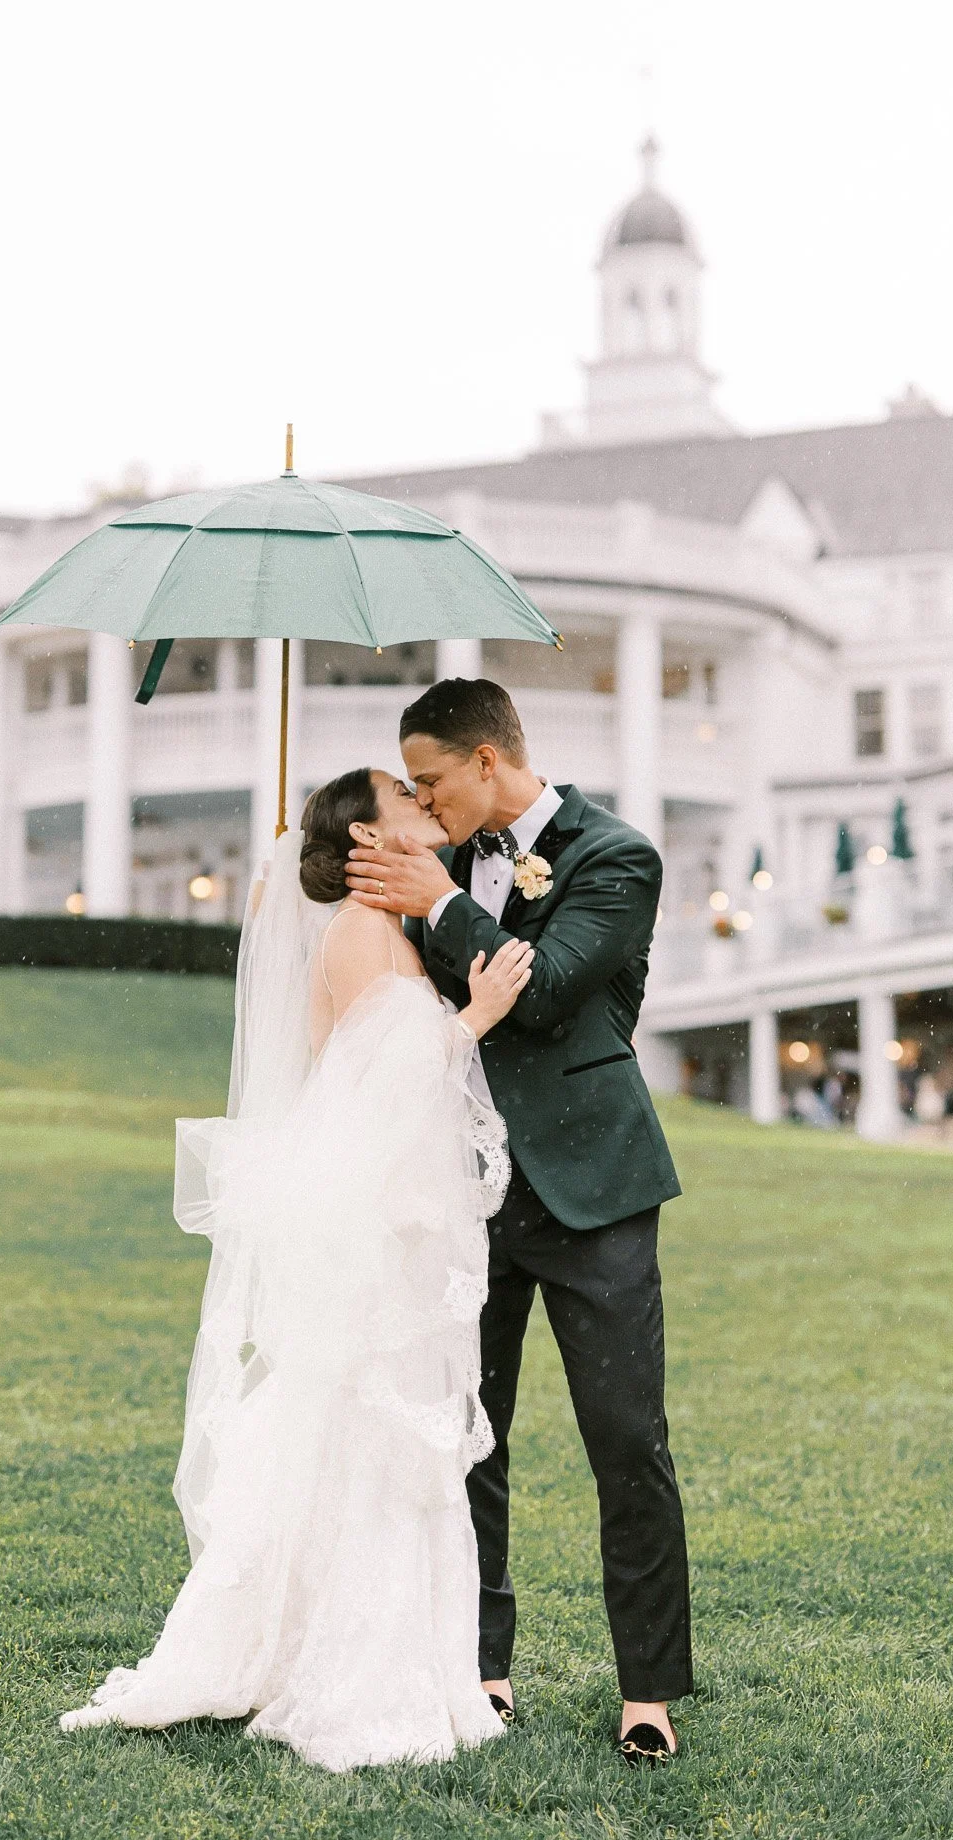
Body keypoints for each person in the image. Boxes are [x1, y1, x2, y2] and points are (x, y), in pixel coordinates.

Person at [60, 768, 534, 1771]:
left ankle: (348, 1647)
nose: (424, 807)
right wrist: (477, 1013)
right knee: (366, 1429)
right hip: (371, 1224)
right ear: (366, 834)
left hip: (389, 1218)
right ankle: (345, 1671)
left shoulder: (389, 932)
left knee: (362, 1432)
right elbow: (385, 1090)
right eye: (405, 799)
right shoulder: (362, 934)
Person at [346, 677, 692, 1768]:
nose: (422, 799)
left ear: (487, 762)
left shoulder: (615, 855)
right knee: (468, 1440)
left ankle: (648, 1691)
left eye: (433, 779)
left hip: (594, 1189)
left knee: (626, 1441)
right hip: (466, 1186)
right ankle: (479, 1668)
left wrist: (439, 907)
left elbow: (540, 992)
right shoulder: (431, 860)